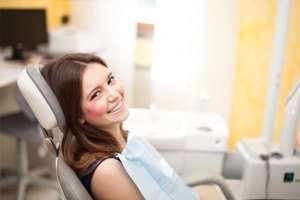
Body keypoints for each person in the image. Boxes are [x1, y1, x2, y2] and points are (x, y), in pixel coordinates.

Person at [41, 53, 219, 200]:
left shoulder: (121, 139)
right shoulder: (107, 171)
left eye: (110, 80)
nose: (114, 94)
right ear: (77, 115)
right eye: (96, 94)